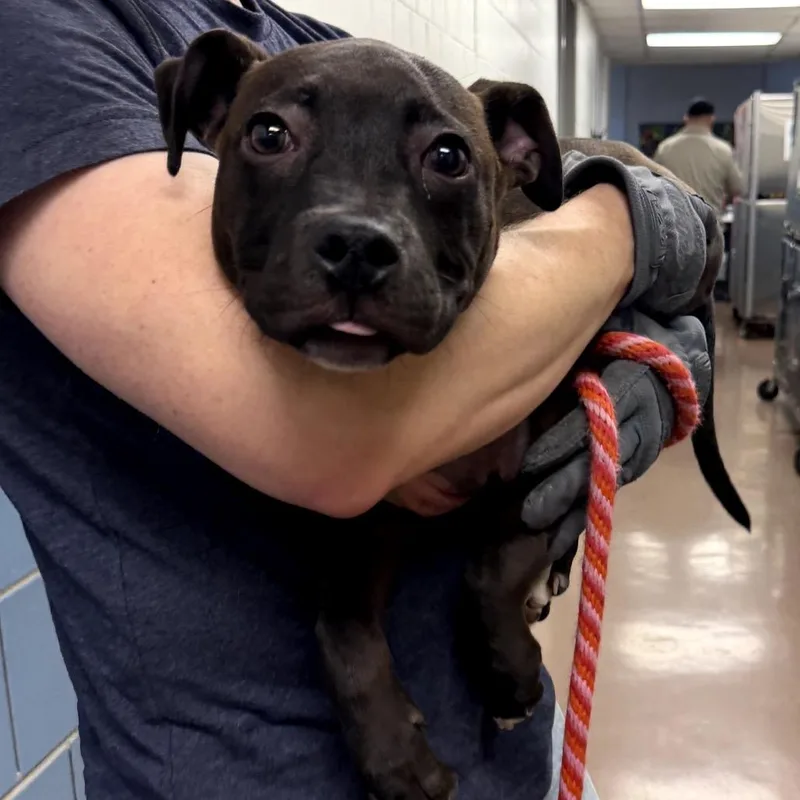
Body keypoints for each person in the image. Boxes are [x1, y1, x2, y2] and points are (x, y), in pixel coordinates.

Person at [0, 1, 715, 798]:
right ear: (204, 123)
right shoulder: (46, 29)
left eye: (443, 158)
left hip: (496, 749)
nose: (358, 228)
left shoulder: (315, 46)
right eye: (272, 140)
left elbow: (521, 293)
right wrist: (626, 221)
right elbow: (337, 446)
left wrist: (634, 354)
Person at [655, 97, 743, 216]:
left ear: (686, 118)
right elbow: (737, 189)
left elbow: (653, 185)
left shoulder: (665, 148)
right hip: (709, 226)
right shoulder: (723, 150)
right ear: (711, 119)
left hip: (675, 225)